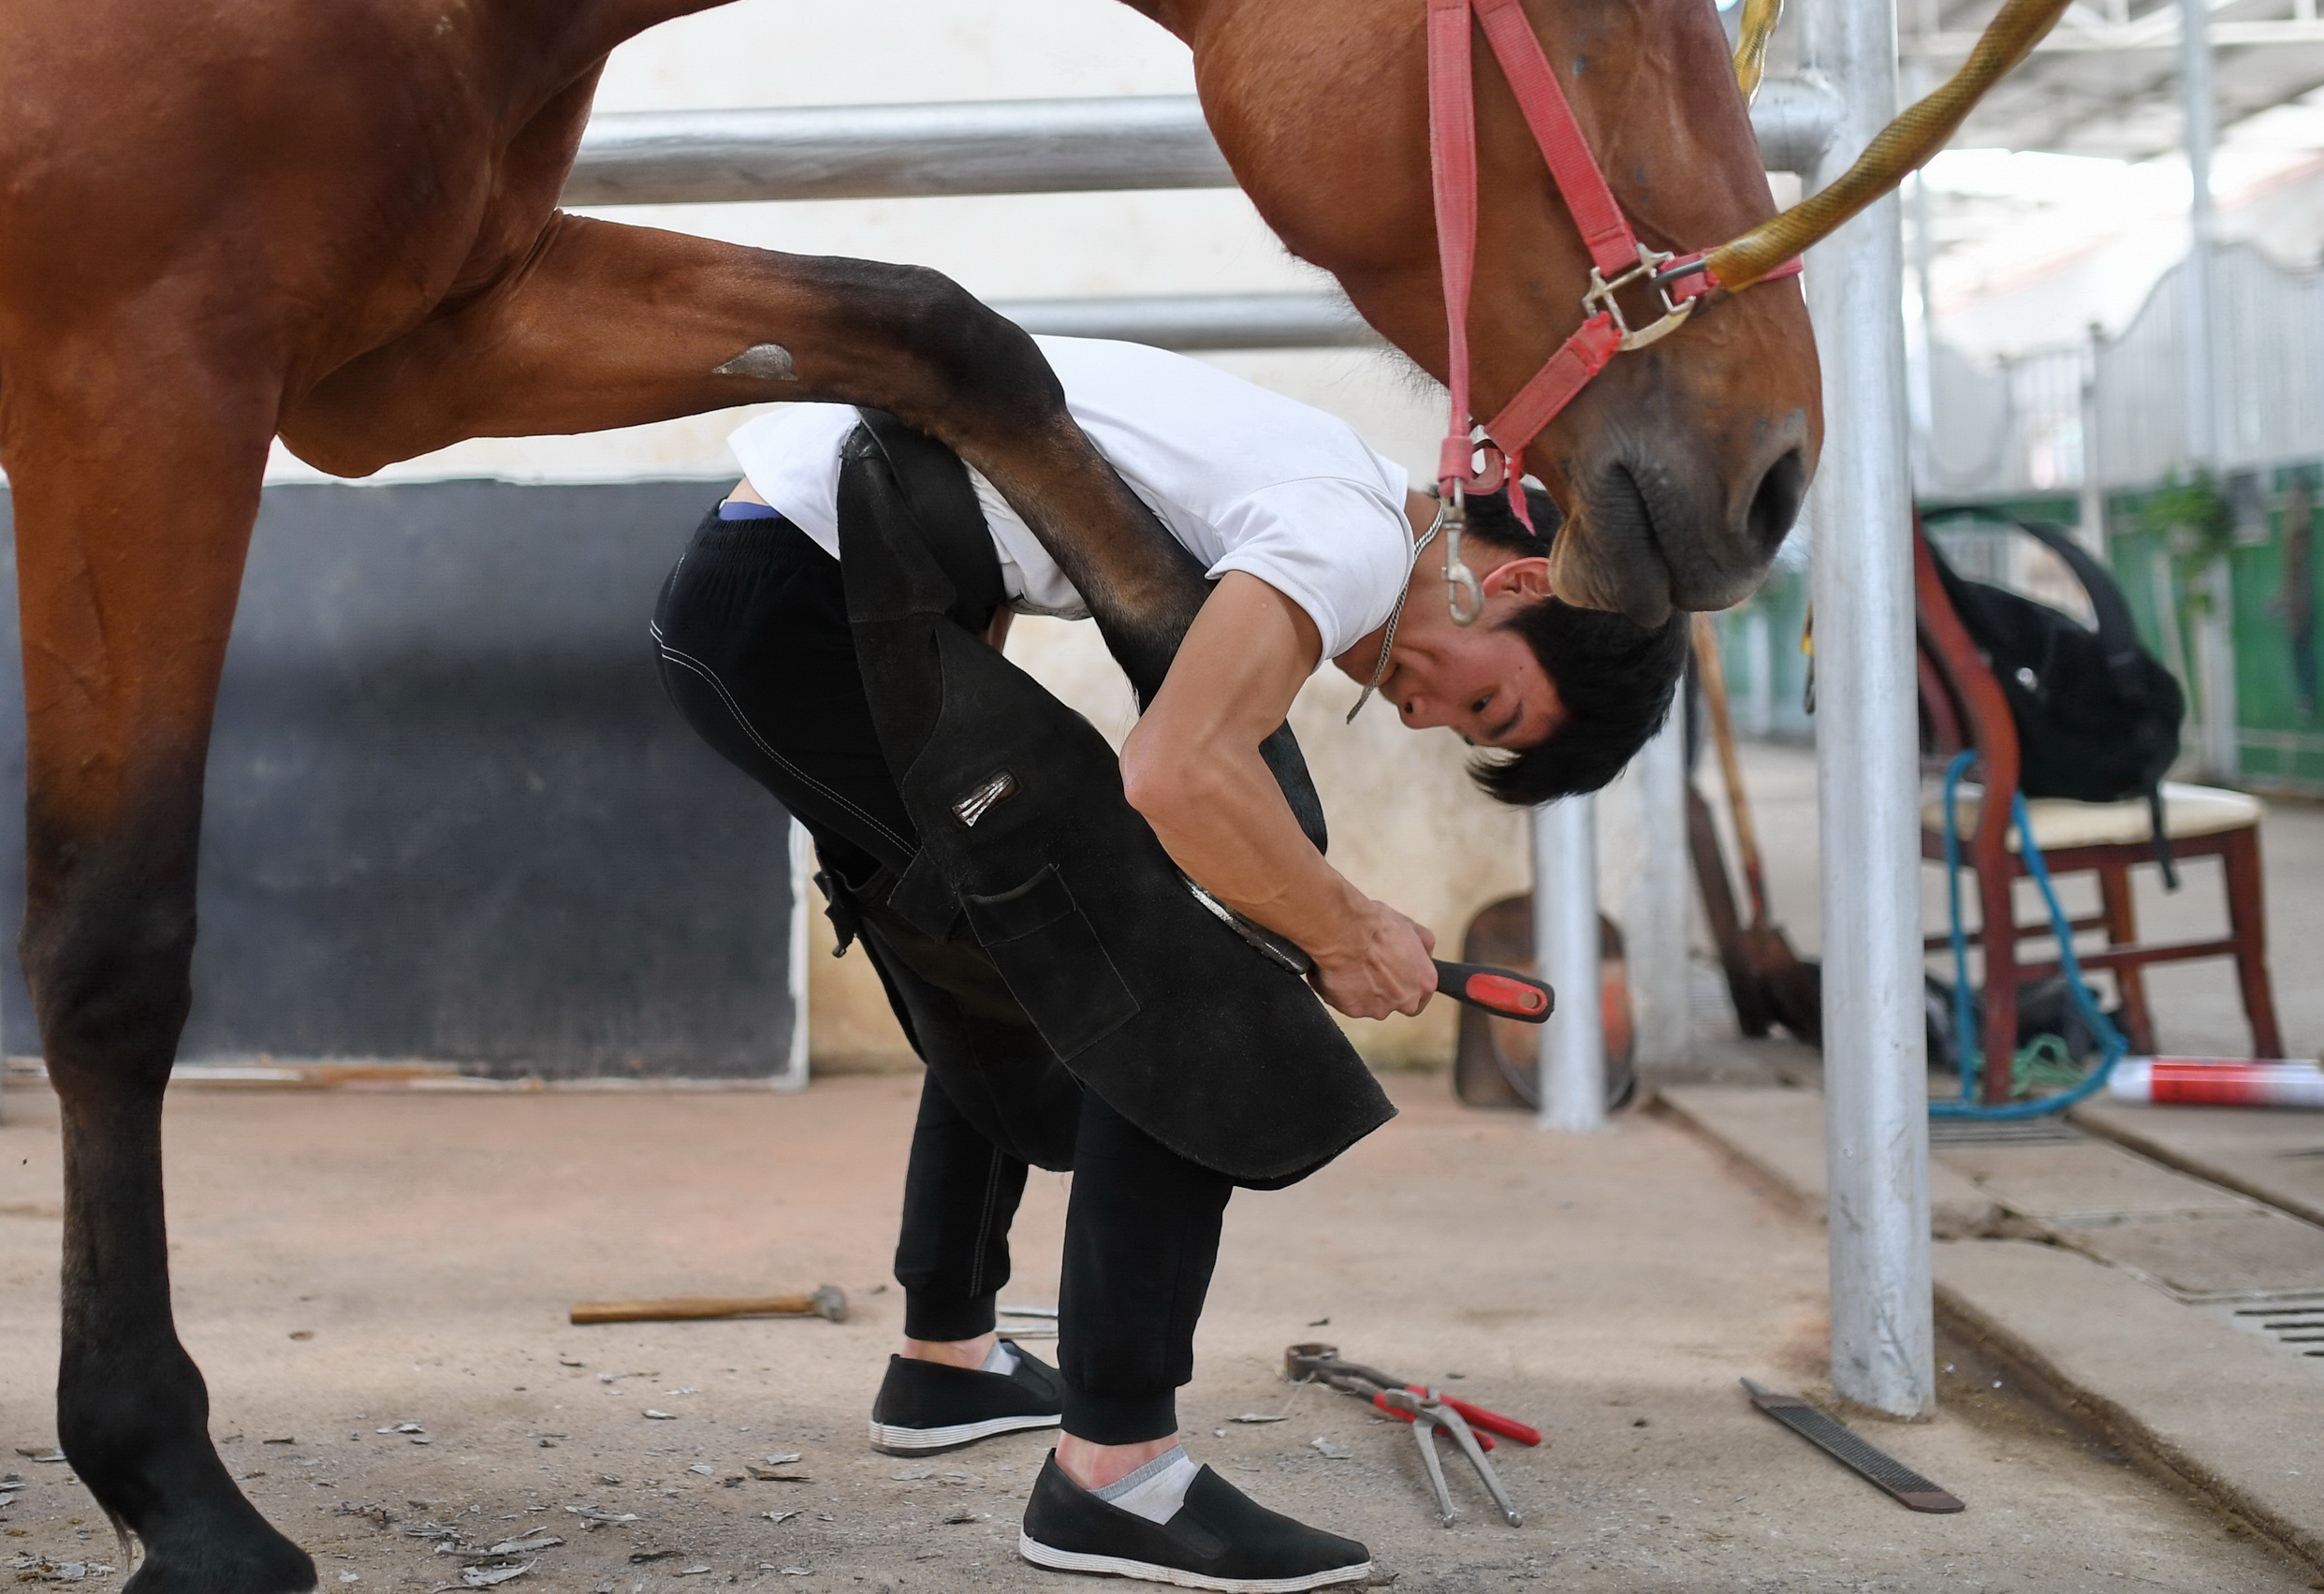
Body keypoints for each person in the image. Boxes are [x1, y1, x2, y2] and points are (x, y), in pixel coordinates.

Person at [650, 335, 1686, 1590]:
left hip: (790, 595)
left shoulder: (1343, 492)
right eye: (1486, 704)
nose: (1426, 717)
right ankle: (1116, 1472)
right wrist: (1338, 930)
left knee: (1041, 954)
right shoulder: (1351, 533)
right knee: (1189, 987)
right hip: (804, 614)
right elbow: (1180, 771)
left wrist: (1318, 905)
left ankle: (948, 1362)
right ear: (1514, 580)